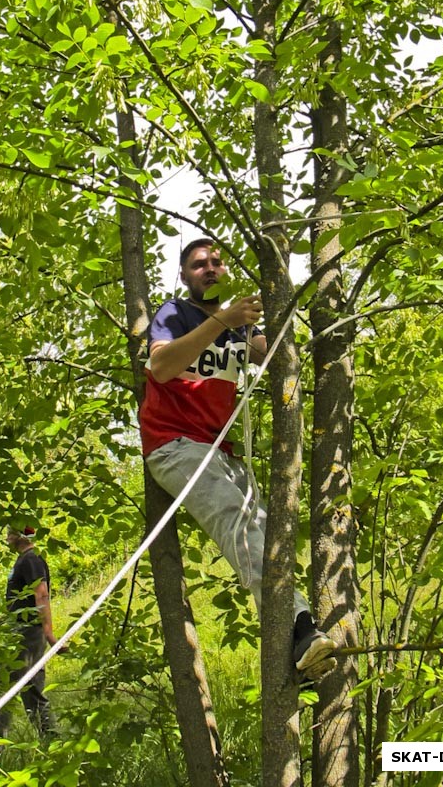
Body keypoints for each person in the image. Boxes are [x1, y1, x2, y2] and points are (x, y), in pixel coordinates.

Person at [139, 238, 337, 681]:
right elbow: (163, 367)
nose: (209, 269)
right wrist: (221, 321)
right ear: (185, 275)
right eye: (197, 265)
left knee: (267, 533)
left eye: (215, 262)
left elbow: (281, 360)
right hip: (175, 445)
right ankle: (301, 628)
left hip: (221, 451)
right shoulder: (174, 314)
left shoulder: (239, 329)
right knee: (240, 524)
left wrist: (263, 322)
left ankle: (296, 649)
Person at [0, 525, 63, 739]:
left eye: (10, 532)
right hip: (21, 632)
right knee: (26, 688)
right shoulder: (25, 559)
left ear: (20, 536)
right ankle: (50, 740)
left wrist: (49, 634)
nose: (6, 537)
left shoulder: (31, 559)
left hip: (28, 633)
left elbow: (41, 595)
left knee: (3, 687)